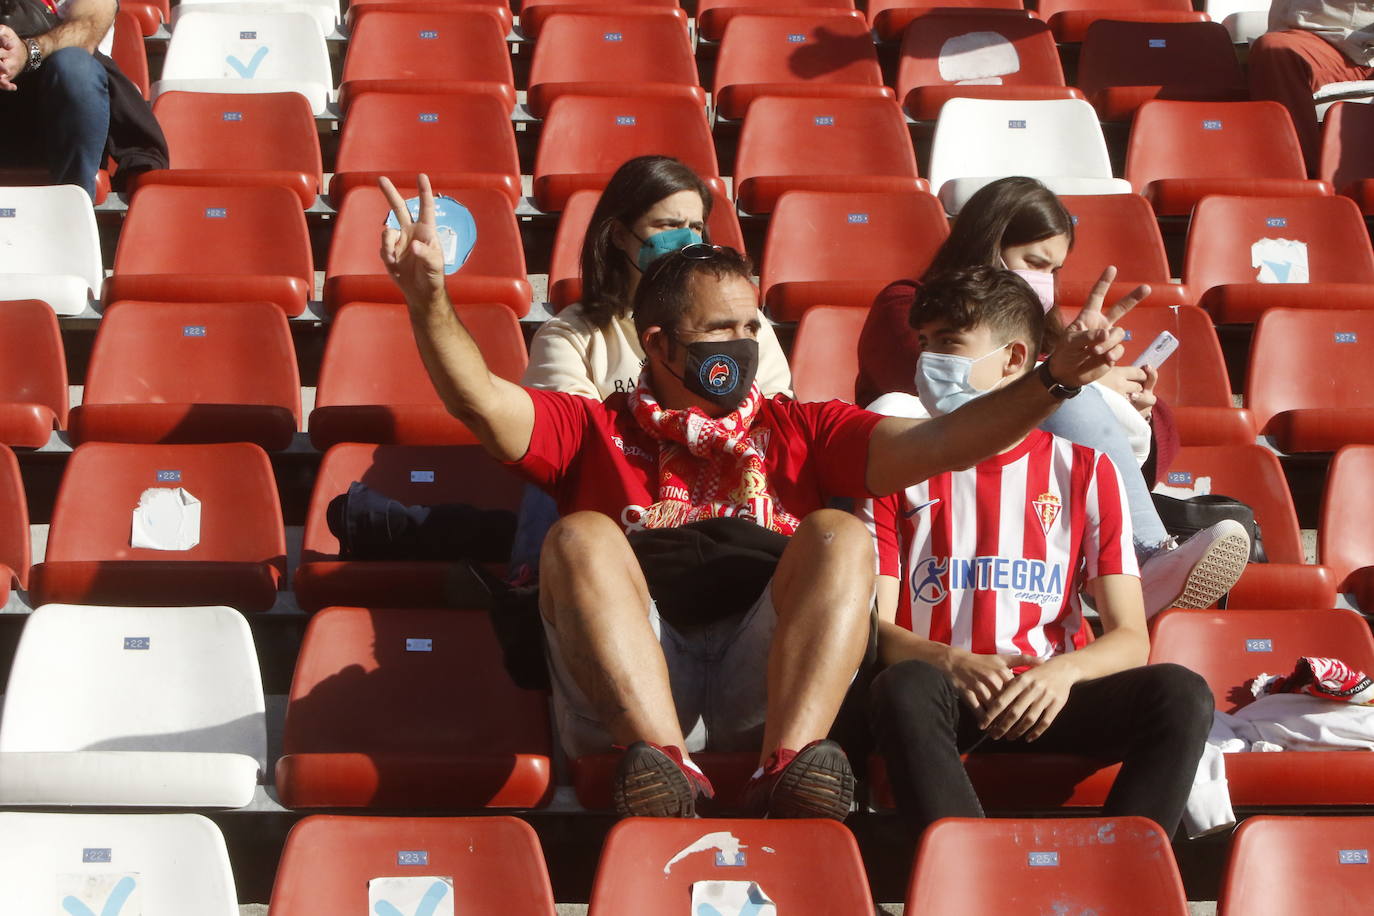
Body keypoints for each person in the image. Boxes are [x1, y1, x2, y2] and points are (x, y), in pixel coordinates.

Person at [380, 173, 1140, 820]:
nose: (740, 344)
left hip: (759, 672)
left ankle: (793, 768)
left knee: (840, 536)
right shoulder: (592, 427)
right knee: (578, 535)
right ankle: (663, 772)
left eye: (750, 325)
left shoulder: (801, 427)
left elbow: (938, 445)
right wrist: (427, 305)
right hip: (637, 673)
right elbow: (481, 401)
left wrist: (1054, 381)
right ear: (658, 343)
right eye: (719, 329)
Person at [863, 267, 1214, 839]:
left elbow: (1130, 637)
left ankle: (1120, 873)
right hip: (944, 695)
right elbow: (873, 628)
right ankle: (971, 878)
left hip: (1049, 694)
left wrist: (1062, 675)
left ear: (1013, 357)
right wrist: (949, 662)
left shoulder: (1086, 469)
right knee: (902, 686)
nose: (929, 360)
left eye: (948, 343)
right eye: (924, 343)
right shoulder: (894, 462)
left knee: (1181, 692)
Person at [857, 177, 1249, 617]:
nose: (1041, 281)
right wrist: (1074, 380)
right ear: (989, 243)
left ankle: (1133, 566)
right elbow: (941, 390)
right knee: (1071, 395)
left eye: (1052, 271)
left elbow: (1151, 457)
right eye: (1033, 262)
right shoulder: (908, 303)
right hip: (929, 477)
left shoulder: (1042, 329)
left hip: (1023, 488)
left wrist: (1138, 407)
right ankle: (1142, 561)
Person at [524, 155, 791, 400]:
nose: (685, 239)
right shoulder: (570, 336)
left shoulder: (746, 324)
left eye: (695, 227)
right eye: (669, 225)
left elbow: (773, 419)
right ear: (619, 234)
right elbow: (576, 434)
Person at [0, 0, 115, 199]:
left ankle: (72, 206)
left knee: (73, 66)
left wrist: (27, 53)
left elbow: (85, 29)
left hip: (56, 122)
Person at [1248, 0, 1374, 174]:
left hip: (1356, 48)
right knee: (1274, 50)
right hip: (1299, 38)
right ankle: (1296, 178)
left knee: (1277, 51)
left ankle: (1303, 179)